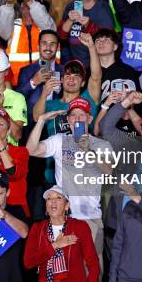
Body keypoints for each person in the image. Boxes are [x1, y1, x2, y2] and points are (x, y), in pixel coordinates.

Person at [27, 98, 113, 265]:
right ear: (68, 120)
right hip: (64, 217)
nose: (78, 118)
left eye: (82, 115)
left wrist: (87, 149)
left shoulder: (102, 144)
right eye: (73, 115)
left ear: (89, 119)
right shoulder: (59, 141)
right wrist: (42, 121)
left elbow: (109, 170)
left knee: (93, 268)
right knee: (64, 268)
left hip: (91, 217)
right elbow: (31, 150)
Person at [23, 186, 100, 282]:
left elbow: (93, 262)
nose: (53, 201)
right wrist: (55, 245)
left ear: (67, 205)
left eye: (58, 198)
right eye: (49, 199)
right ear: (46, 206)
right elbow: (28, 262)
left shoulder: (79, 227)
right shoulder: (37, 229)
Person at [33, 34, 102, 136]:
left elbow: (96, 77)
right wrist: (44, 94)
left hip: (82, 149)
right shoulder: (51, 105)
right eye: (68, 75)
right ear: (61, 80)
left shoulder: (88, 98)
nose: (71, 79)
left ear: (83, 82)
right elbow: (36, 118)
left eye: (76, 76)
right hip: (56, 150)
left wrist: (91, 47)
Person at [0, 0, 55, 84]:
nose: (27, 10)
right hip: (17, 84)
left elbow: (47, 24)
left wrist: (29, 0)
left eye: (30, 7)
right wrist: (9, 5)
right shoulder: (13, 26)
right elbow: (3, 32)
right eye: (24, 6)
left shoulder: (46, 26)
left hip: (44, 83)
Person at [58, 0, 113, 66]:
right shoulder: (71, 6)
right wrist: (70, 20)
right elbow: (62, 36)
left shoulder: (102, 8)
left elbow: (108, 40)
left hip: (96, 64)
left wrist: (89, 25)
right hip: (74, 63)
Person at [16, 30, 63, 132]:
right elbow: (17, 98)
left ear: (58, 47)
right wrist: (33, 82)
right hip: (32, 123)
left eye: (52, 44)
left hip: (56, 122)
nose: (48, 47)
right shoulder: (26, 71)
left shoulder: (64, 71)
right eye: (44, 43)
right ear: (38, 46)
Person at [94, 29, 141, 102]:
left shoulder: (128, 71)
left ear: (115, 46)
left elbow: (137, 101)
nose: (100, 43)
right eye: (97, 40)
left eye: (106, 40)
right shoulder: (88, 72)